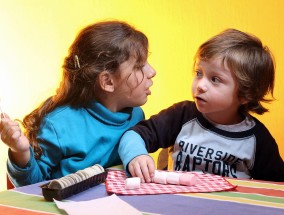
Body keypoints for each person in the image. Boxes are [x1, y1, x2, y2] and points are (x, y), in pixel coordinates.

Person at [0, 20, 156, 187]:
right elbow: (32, 188)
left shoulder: (136, 115)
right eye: (139, 66)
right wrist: (21, 152)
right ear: (108, 81)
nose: (152, 72)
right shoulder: (58, 125)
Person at [118, 28, 284, 183]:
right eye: (199, 73)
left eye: (215, 79)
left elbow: (277, 188)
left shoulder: (257, 139)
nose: (201, 85)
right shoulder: (181, 115)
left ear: (245, 94)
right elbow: (134, 135)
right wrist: (136, 155)